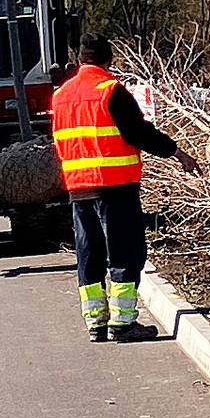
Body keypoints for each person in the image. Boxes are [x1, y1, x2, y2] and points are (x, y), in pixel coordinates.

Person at [50, 33, 198, 343]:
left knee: (88, 254)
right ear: (108, 60)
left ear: (79, 60)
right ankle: (124, 323)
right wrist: (177, 153)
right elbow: (139, 133)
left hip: (78, 188)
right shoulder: (110, 91)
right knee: (124, 253)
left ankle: (95, 322)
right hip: (114, 187)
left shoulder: (61, 95)